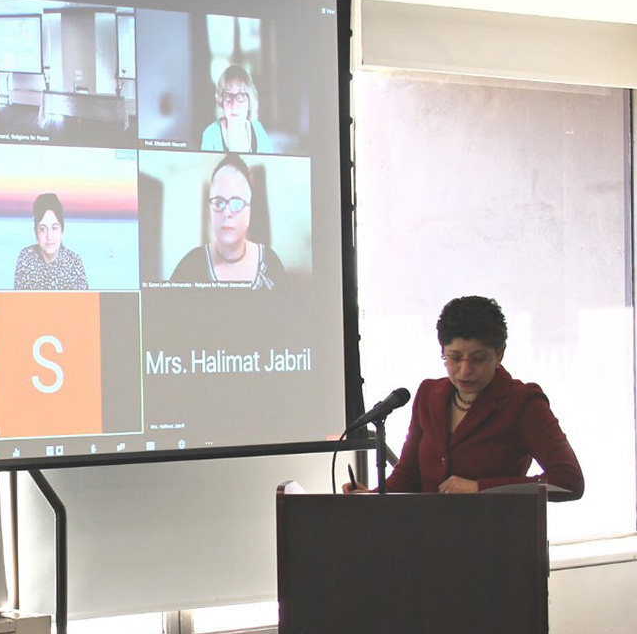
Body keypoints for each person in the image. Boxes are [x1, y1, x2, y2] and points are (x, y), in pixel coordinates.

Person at [343, 296, 584, 501]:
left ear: (500, 353)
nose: (465, 371)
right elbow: (408, 476)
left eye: (478, 359)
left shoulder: (523, 403)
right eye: (455, 358)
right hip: (427, 542)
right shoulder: (428, 395)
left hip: (496, 542)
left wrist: (480, 488)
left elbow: (568, 481)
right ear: (442, 352)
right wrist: (372, 497)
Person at [169, 154, 286, 289]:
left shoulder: (271, 262)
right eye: (219, 202)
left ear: (248, 211)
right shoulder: (190, 265)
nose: (226, 213)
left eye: (236, 203)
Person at [13, 193, 89, 290]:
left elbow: (84, 303)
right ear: (36, 232)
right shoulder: (25, 257)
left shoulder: (74, 262)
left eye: (54, 228)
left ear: (62, 231)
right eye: (43, 229)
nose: (49, 236)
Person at [200, 65, 273, 154]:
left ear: (249, 101)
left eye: (241, 95)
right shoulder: (210, 134)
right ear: (221, 99)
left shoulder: (258, 130)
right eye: (228, 95)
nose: (233, 104)